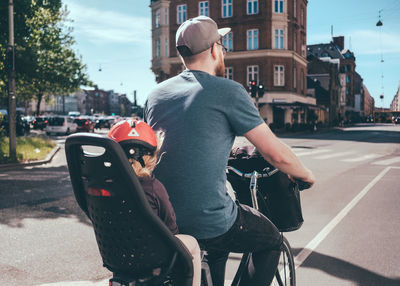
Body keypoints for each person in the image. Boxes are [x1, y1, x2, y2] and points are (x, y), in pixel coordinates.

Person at [144, 16, 316, 286]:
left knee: (217, 244)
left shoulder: (155, 95)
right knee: (271, 240)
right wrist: (306, 175)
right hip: (207, 220)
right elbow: (276, 154)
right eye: (222, 47)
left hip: (162, 219)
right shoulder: (229, 91)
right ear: (214, 50)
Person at [107, 119, 201, 286]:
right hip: (153, 257)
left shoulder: (105, 186)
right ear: (151, 156)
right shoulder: (153, 187)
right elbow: (171, 229)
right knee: (191, 243)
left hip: (117, 255)